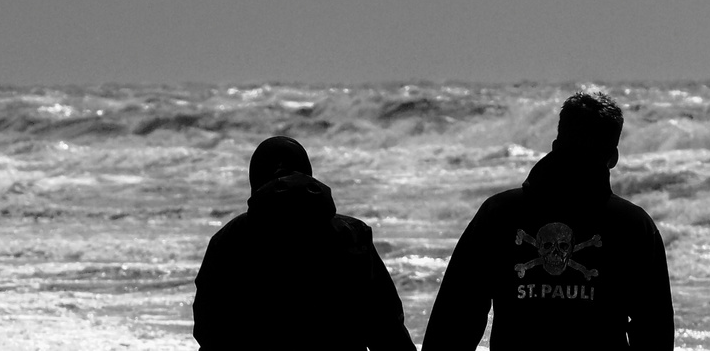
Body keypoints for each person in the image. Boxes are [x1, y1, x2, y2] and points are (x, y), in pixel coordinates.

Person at [422, 92, 673, 350]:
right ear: (613, 157)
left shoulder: (499, 214)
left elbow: (454, 320)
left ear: (555, 145)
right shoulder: (633, 226)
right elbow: (655, 332)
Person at [193, 136, 415, 350]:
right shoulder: (352, 234)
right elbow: (386, 328)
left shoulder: (229, 239)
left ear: (255, 179)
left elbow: (208, 330)